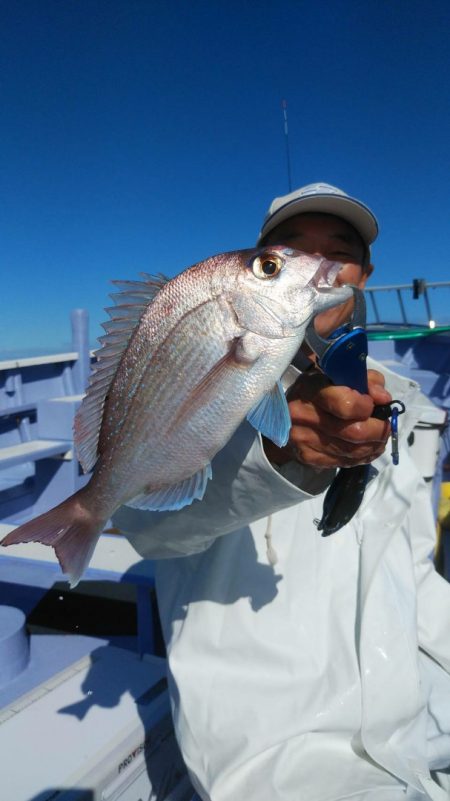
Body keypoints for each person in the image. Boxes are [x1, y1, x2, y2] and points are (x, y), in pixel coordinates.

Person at [113, 183, 450, 801]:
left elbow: (414, 566)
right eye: (287, 251)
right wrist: (278, 456)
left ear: (362, 276)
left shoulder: (412, 399)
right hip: (272, 760)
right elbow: (147, 529)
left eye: (339, 250)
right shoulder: (213, 377)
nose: (318, 262)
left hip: (423, 728)